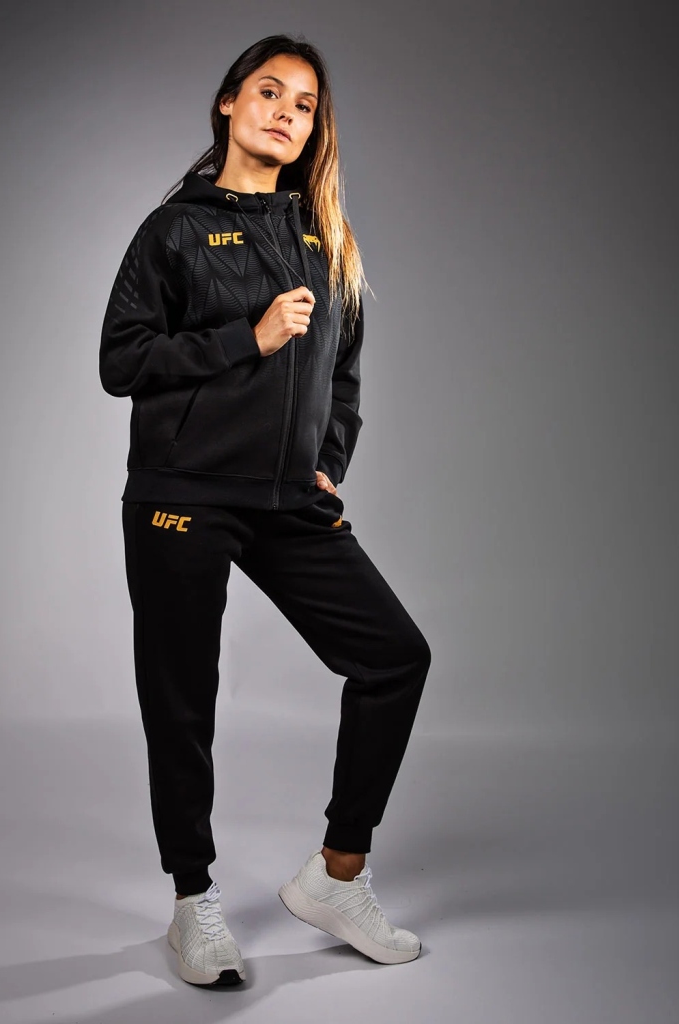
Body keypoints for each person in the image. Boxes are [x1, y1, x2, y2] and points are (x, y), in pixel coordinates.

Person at [99, 33, 432, 986]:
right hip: (183, 494)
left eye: (304, 104)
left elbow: (344, 374)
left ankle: (337, 875)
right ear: (228, 102)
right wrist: (244, 338)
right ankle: (192, 904)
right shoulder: (173, 230)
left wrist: (327, 463)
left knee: (394, 658)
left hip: (286, 499)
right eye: (269, 92)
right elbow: (121, 361)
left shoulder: (324, 238)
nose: (287, 113)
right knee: (184, 703)